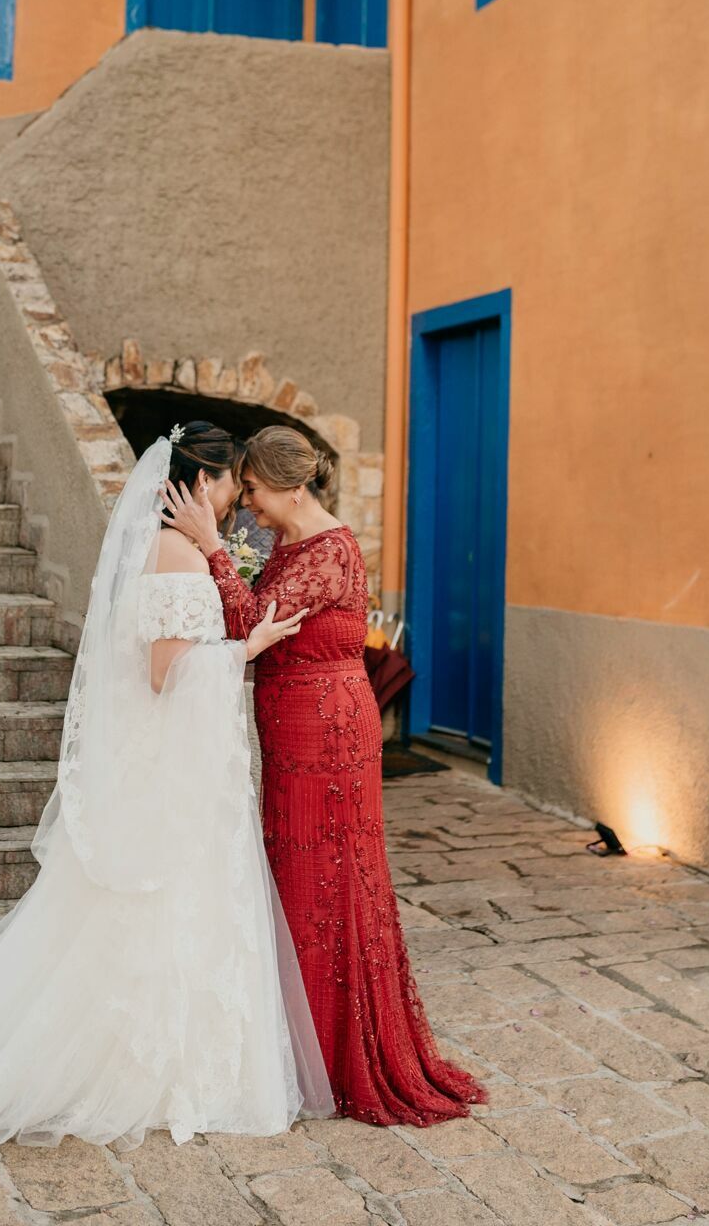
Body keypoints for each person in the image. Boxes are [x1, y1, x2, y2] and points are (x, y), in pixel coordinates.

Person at [0, 421, 333, 1174]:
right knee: (171, 903)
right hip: (178, 767)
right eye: (234, 480)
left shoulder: (181, 550)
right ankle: (154, 1069)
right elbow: (168, 673)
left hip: (191, 760)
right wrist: (249, 650)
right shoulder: (174, 553)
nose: (239, 498)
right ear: (204, 484)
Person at [161, 423, 486, 1127]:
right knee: (293, 878)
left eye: (249, 488)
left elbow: (252, 622)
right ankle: (296, 1045)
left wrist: (214, 550)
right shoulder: (290, 545)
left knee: (324, 881)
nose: (245, 503)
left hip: (326, 731)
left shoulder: (329, 551)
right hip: (293, 727)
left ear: (284, 484)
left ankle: (337, 1058)